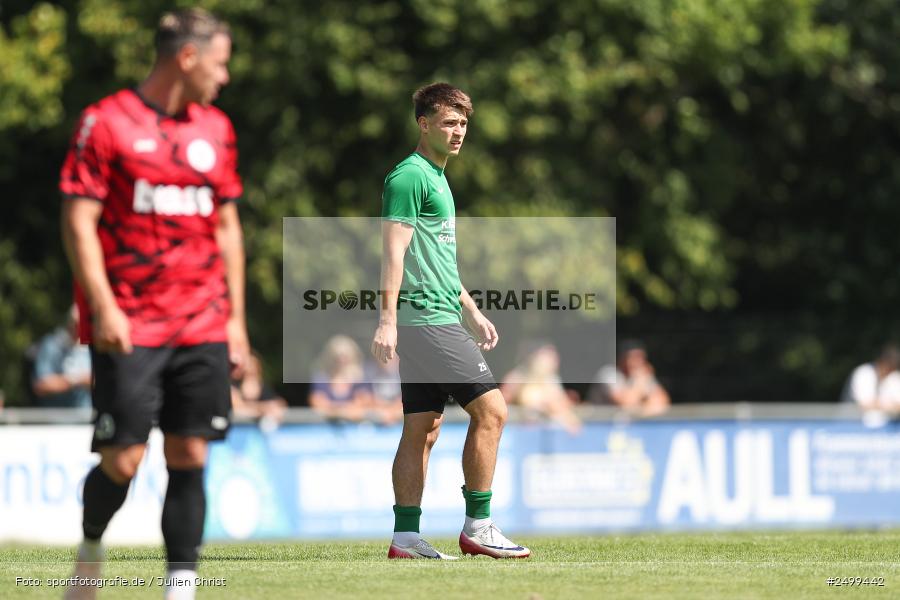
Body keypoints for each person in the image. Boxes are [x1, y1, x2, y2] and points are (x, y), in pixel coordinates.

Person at [59, 9, 247, 600]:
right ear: (186, 58)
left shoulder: (216, 129)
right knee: (124, 460)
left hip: (202, 317)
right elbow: (78, 219)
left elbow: (227, 226)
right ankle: (90, 553)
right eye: (219, 63)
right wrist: (103, 304)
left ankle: (181, 588)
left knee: (191, 450)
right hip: (131, 322)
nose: (224, 78)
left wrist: (236, 320)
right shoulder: (106, 122)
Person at [371, 82, 530, 560]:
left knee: (423, 426)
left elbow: (436, 258)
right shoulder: (409, 177)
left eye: (463, 123)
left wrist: (473, 309)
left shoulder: (439, 177)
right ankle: (477, 527)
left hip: (441, 315)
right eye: (448, 122)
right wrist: (386, 319)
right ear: (424, 124)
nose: (458, 131)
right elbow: (393, 251)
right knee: (493, 411)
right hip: (425, 321)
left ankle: (405, 538)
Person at [500, 342, 581, 435]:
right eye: (550, 357)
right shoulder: (517, 378)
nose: (555, 361)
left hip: (544, 436)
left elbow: (561, 408)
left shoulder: (552, 380)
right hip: (519, 434)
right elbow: (500, 406)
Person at [31, 305, 92, 409]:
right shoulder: (51, 345)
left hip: (86, 416)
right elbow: (41, 384)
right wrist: (77, 380)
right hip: (55, 419)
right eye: (77, 324)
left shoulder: (91, 346)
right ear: (70, 323)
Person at [589, 339, 671, 416]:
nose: (638, 361)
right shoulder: (608, 374)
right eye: (633, 357)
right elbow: (626, 404)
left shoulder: (641, 375)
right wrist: (640, 382)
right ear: (622, 358)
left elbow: (662, 402)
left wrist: (642, 411)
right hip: (601, 426)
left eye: (641, 357)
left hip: (628, 426)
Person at [308, 335, 373, 422]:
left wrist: (333, 409)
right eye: (337, 357)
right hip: (324, 428)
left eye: (345, 357)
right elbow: (317, 403)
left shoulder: (361, 377)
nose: (341, 360)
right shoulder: (321, 377)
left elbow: (364, 403)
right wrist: (344, 411)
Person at [840, 343, 900, 420]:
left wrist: (880, 405)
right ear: (881, 361)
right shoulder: (863, 373)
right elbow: (864, 405)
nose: (889, 371)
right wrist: (890, 406)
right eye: (888, 366)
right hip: (853, 424)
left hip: (884, 427)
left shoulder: (894, 376)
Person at [231, 352, 287, 428]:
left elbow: (278, 404)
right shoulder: (234, 385)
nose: (250, 368)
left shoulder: (264, 387)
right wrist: (263, 409)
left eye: (252, 365)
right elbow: (237, 407)